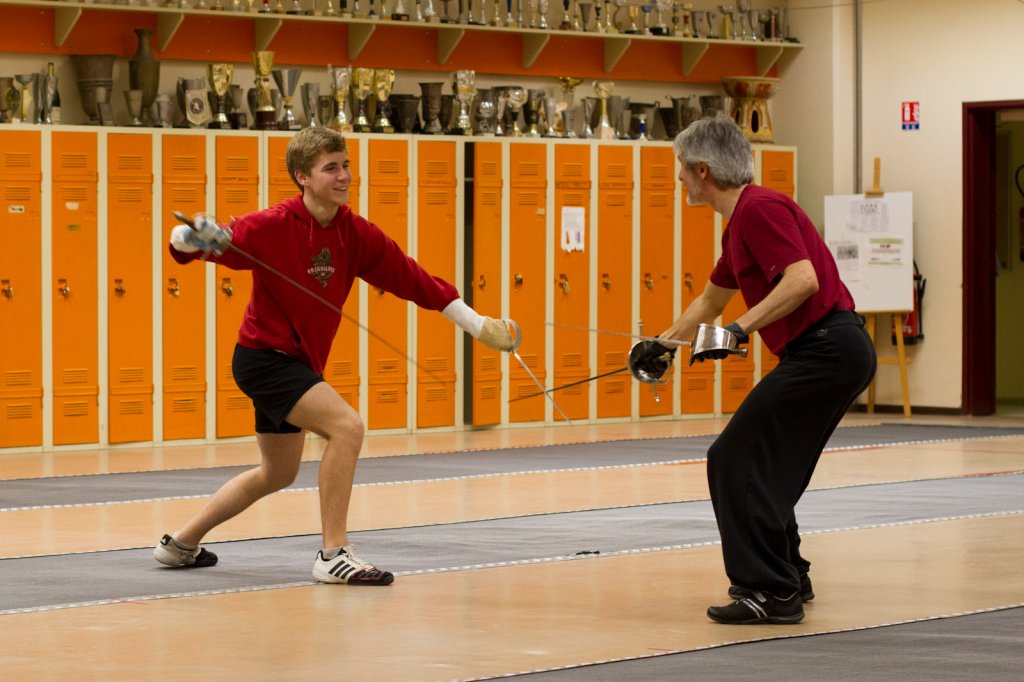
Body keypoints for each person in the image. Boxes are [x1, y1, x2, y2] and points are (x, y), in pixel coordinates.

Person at [154, 127, 517, 586]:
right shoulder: (272, 225)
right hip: (265, 359)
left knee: (276, 472)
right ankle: (333, 553)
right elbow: (184, 248)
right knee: (348, 427)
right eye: (331, 168)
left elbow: (414, 279)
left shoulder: (356, 233)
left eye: (345, 165)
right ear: (303, 177)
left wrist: (480, 326)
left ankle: (180, 544)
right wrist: (191, 234)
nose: (344, 176)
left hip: (297, 365)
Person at [635, 117, 877, 624]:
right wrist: (662, 344)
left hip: (827, 350)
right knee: (765, 464)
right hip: (829, 352)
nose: (678, 178)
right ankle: (789, 574)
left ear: (702, 170)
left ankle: (770, 591)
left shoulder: (759, 209)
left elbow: (803, 279)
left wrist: (738, 330)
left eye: (682, 168)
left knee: (733, 457)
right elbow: (709, 302)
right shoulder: (739, 225)